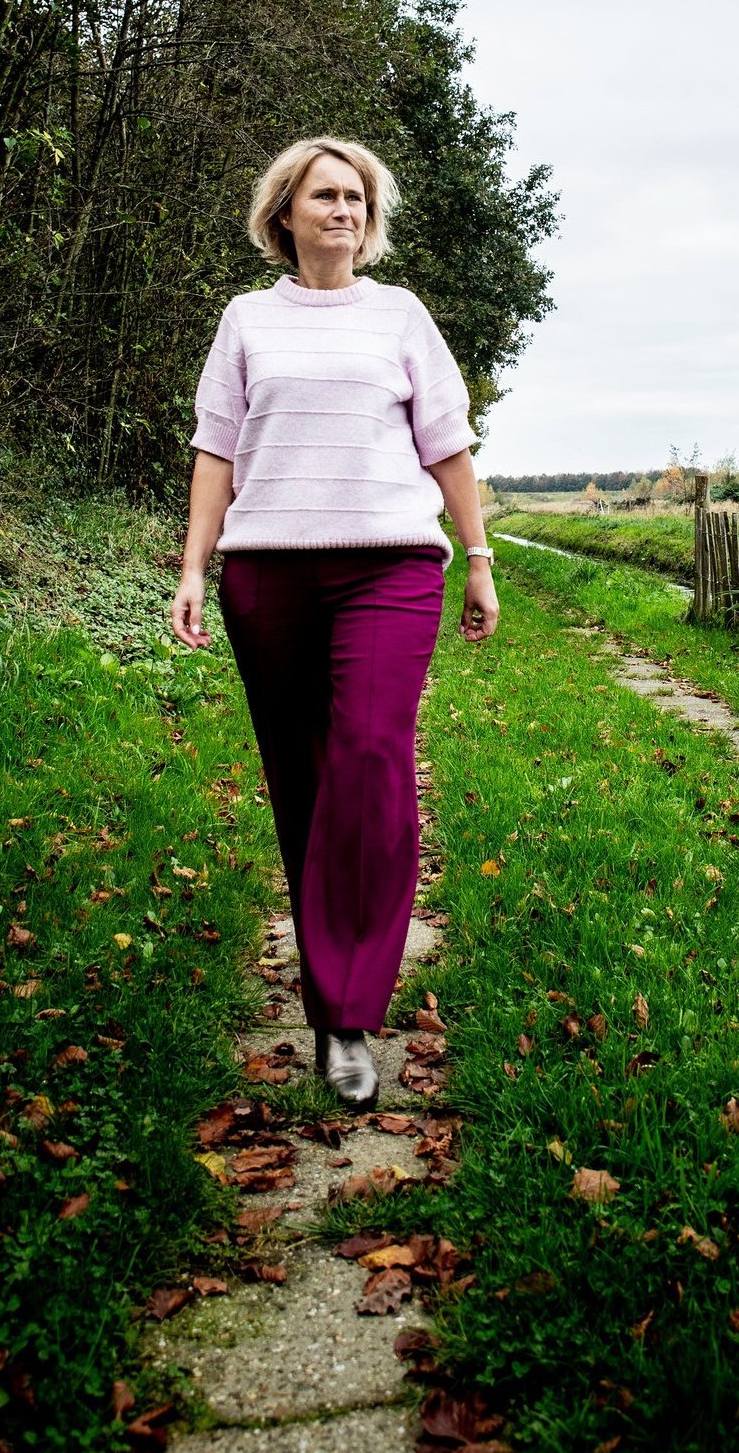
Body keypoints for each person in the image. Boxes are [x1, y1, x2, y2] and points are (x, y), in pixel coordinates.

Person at [169, 136, 499, 1104]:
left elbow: (448, 443)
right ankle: (325, 1002)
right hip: (267, 569)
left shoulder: (399, 314)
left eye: (356, 196)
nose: (343, 209)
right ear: (286, 213)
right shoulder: (246, 319)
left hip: (389, 565)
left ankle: (353, 1010)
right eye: (325, 195)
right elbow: (216, 450)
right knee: (304, 780)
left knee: (366, 754)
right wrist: (193, 566)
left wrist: (477, 556)